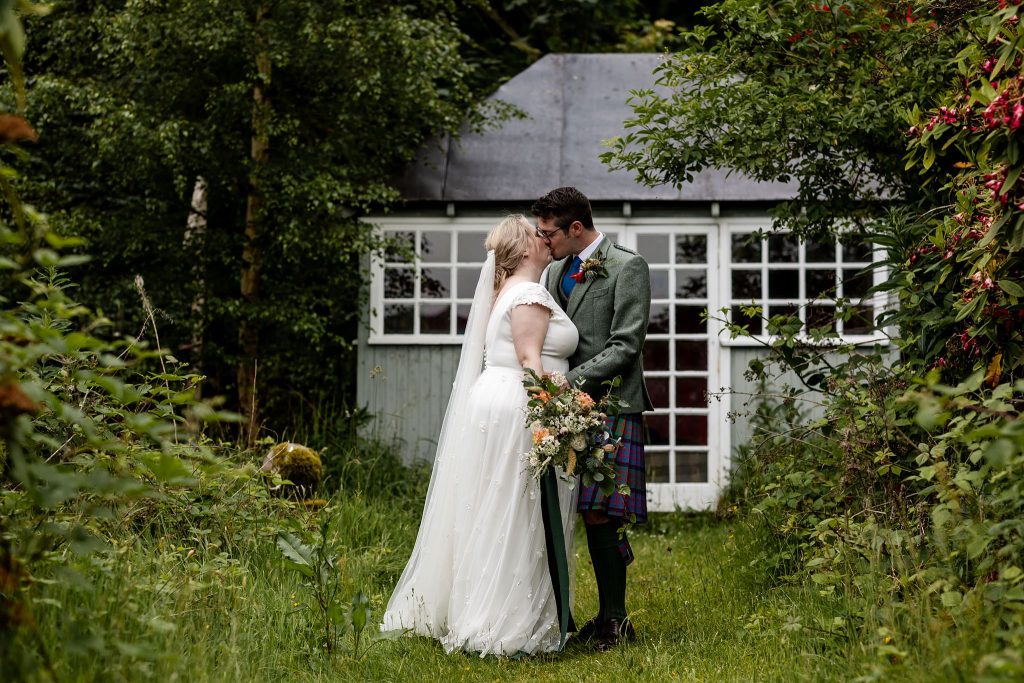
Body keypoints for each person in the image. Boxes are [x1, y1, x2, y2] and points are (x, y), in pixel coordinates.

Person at [381, 215, 580, 657]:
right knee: (517, 512)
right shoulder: (528, 293)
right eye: (536, 234)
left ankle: (490, 609)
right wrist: (553, 414)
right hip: (520, 407)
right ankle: (505, 622)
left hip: (497, 402)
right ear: (524, 250)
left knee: (498, 508)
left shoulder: (504, 292)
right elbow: (530, 361)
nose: (544, 239)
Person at [533, 186, 653, 652]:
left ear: (576, 228)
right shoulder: (555, 270)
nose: (545, 242)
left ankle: (615, 620)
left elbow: (626, 345)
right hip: (565, 408)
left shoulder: (628, 266)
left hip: (611, 402)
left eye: (549, 234)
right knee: (581, 511)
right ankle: (601, 616)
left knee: (605, 511)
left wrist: (570, 382)